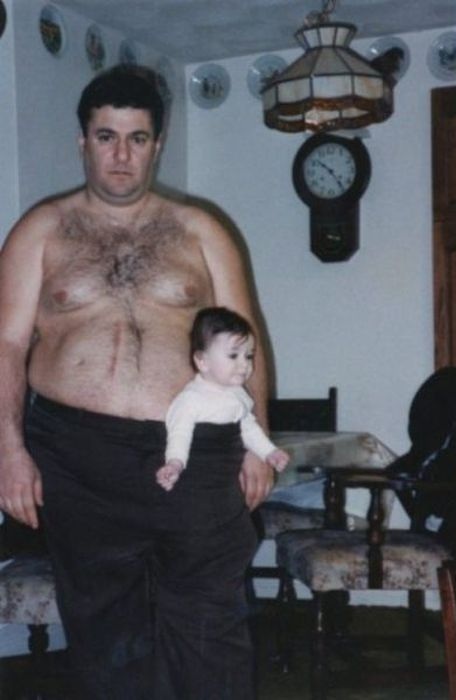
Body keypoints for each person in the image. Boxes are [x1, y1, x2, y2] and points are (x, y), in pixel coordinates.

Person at [0, 64, 274, 699]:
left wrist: (257, 444)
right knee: (105, 629)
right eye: (106, 137)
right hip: (79, 459)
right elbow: (7, 345)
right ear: (82, 141)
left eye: (137, 138)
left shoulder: (201, 230)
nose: (121, 155)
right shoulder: (40, 230)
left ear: (157, 144)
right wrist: (9, 451)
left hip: (197, 452)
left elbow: (246, 338)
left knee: (209, 622)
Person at [157, 306, 289, 491]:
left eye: (249, 356)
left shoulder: (238, 394)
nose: (244, 364)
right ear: (202, 361)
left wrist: (269, 452)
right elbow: (179, 434)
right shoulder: (191, 400)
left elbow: (248, 428)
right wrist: (175, 463)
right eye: (233, 355)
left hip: (226, 477)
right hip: (195, 477)